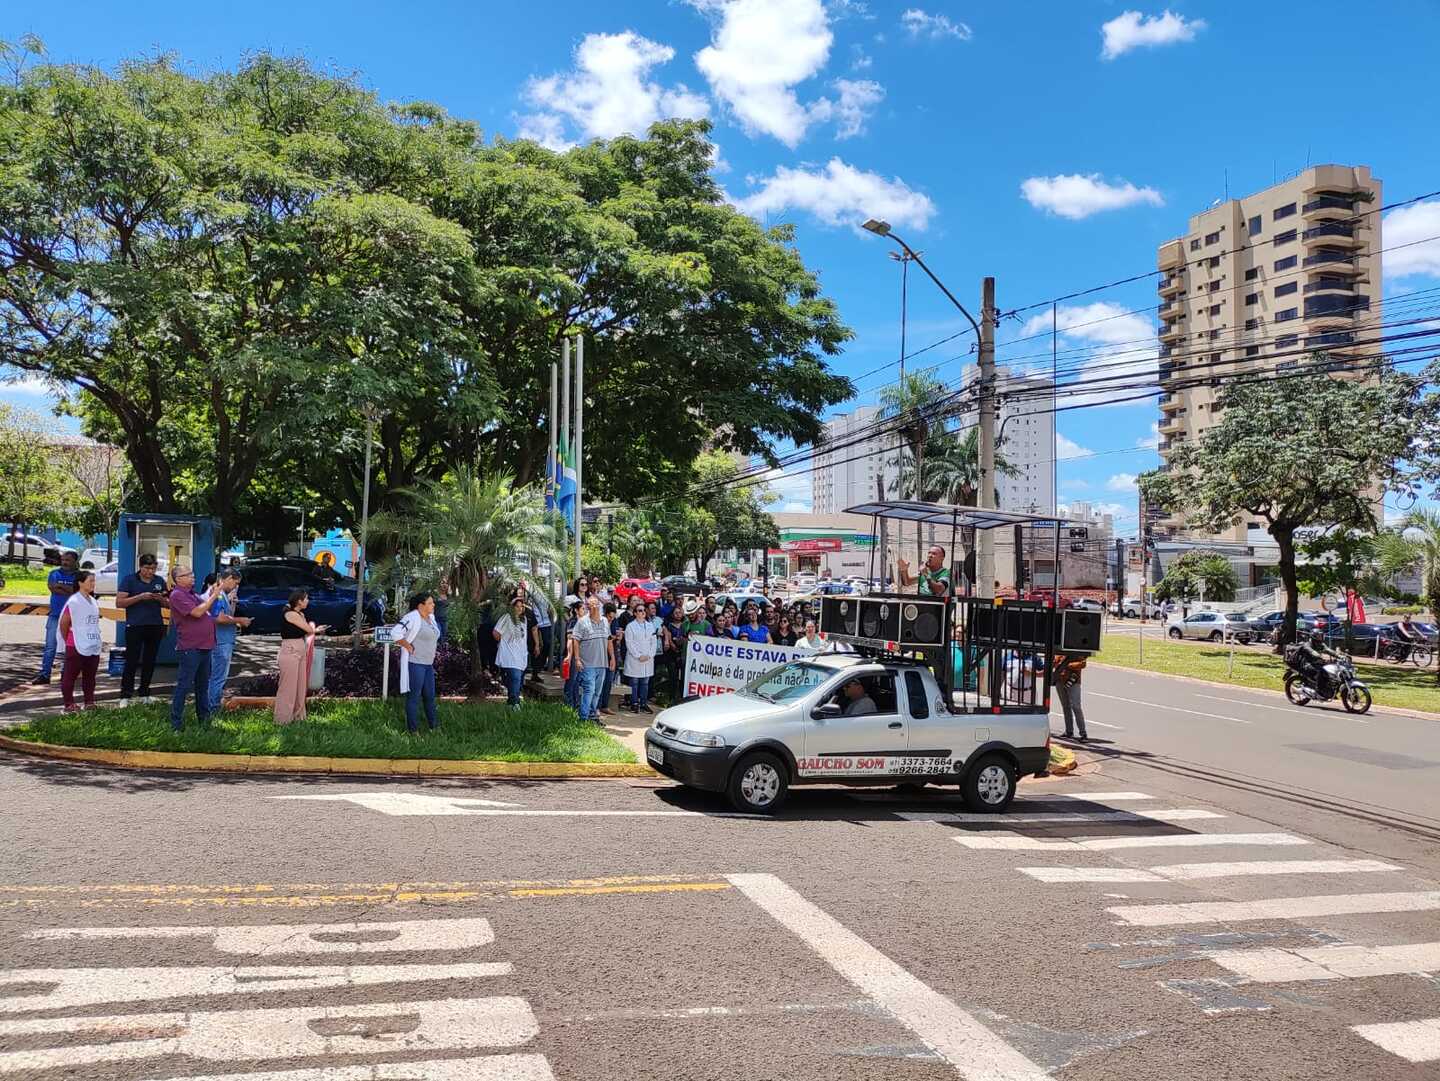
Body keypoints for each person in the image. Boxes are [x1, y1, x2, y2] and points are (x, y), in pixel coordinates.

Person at [169, 564, 221, 731]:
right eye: (188, 574)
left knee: (202, 686)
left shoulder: (193, 594)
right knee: (184, 685)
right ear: (178, 579)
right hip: (191, 647)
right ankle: (176, 723)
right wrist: (214, 597)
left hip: (205, 646)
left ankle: (204, 721)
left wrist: (212, 595)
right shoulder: (177, 595)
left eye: (192, 573)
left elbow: (207, 610)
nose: (193, 576)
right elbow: (197, 613)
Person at [116, 553, 170, 702]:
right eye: (147, 568)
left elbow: (169, 603)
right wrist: (140, 597)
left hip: (155, 625)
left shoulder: (159, 581)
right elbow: (119, 602)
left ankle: (144, 692)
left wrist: (161, 600)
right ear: (140, 567)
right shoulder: (129, 580)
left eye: (153, 568)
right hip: (135, 625)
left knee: (150, 660)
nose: (150, 572)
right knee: (132, 660)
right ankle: (126, 694)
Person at [206, 567, 252, 714]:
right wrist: (239, 620)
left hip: (224, 639)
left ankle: (212, 705)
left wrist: (232, 603)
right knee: (218, 677)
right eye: (235, 583)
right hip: (220, 641)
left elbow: (226, 614)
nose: (236, 587)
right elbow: (218, 618)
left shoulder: (224, 595)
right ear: (229, 579)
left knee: (219, 676)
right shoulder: (218, 594)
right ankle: (212, 708)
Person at [395, 591, 440, 733]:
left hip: (428, 664)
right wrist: (408, 645)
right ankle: (413, 730)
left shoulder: (431, 618)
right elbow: (395, 632)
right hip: (415, 663)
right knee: (414, 697)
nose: (433, 605)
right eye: (430, 603)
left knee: (430, 697)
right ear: (421, 605)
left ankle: (434, 727)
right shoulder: (412, 617)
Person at [58, 569, 102, 711]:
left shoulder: (93, 601)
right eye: (90, 581)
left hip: (92, 643)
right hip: (76, 643)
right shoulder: (74, 601)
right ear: (80, 583)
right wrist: (68, 639)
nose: (93, 584)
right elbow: (64, 623)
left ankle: (89, 701)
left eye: (94, 581)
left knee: (90, 676)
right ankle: (69, 704)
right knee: (70, 675)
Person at [33, 550, 79, 685]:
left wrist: (62, 587)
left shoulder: (79, 576)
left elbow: (76, 592)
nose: (64, 562)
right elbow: (53, 588)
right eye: (63, 560)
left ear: (75, 562)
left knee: (68, 646)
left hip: (71, 616)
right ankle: (44, 674)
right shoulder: (54, 573)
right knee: (50, 646)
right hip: (54, 615)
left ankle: (66, 674)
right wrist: (68, 589)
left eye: (68, 560)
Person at [569, 594, 615, 723]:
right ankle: (583, 717)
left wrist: (612, 658)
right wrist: (577, 659)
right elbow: (575, 640)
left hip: (602, 663)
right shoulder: (582, 622)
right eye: (590, 605)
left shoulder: (605, 621)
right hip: (587, 663)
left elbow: (609, 640)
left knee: (597, 692)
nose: (592, 607)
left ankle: (592, 715)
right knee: (589, 690)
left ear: (599, 606)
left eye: (595, 604)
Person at [493, 592, 534, 709]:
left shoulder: (524, 620)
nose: (520, 608)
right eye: (517, 606)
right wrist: (504, 642)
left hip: (521, 655)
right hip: (509, 655)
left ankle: (511, 703)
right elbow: (496, 633)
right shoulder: (506, 617)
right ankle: (515, 704)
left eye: (522, 606)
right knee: (515, 678)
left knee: (518, 681)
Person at [623, 598, 658, 714]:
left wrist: (650, 655)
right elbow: (629, 643)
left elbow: (654, 641)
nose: (642, 612)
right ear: (635, 613)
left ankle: (643, 703)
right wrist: (638, 656)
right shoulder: (630, 626)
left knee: (645, 682)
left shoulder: (650, 626)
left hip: (648, 659)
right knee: (634, 682)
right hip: (635, 659)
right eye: (639, 610)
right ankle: (634, 703)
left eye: (643, 610)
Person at [1052, 651, 1088, 741]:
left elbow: (1083, 663)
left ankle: (1083, 733)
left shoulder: (1076, 649)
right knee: (1065, 706)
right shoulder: (1058, 650)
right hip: (1060, 680)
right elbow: (1053, 662)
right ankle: (1069, 731)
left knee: (1076, 706)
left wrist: (1067, 665)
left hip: (1073, 681)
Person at [660, 603, 688, 702]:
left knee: (683, 678)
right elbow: (668, 636)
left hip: (684, 653)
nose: (678, 614)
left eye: (680, 612)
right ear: (672, 614)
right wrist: (672, 644)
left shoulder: (686, 624)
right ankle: (672, 698)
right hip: (671, 654)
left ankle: (681, 697)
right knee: (673, 677)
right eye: (676, 613)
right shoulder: (668, 625)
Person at [599, 601, 620, 716]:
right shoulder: (601, 622)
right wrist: (612, 637)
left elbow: (613, 637)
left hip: (612, 653)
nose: (611, 619)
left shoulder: (615, 622)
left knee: (609, 681)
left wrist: (617, 636)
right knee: (600, 682)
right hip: (602, 655)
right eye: (609, 617)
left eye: (613, 617)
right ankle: (597, 706)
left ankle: (604, 705)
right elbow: (607, 639)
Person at [528, 587, 554, 680]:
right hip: (535, 621)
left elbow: (550, 607)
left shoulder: (547, 594)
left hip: (545, 622)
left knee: (547, 643)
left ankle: (540, 666)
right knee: (535, 645)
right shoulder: (530, 592)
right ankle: (535, 671)